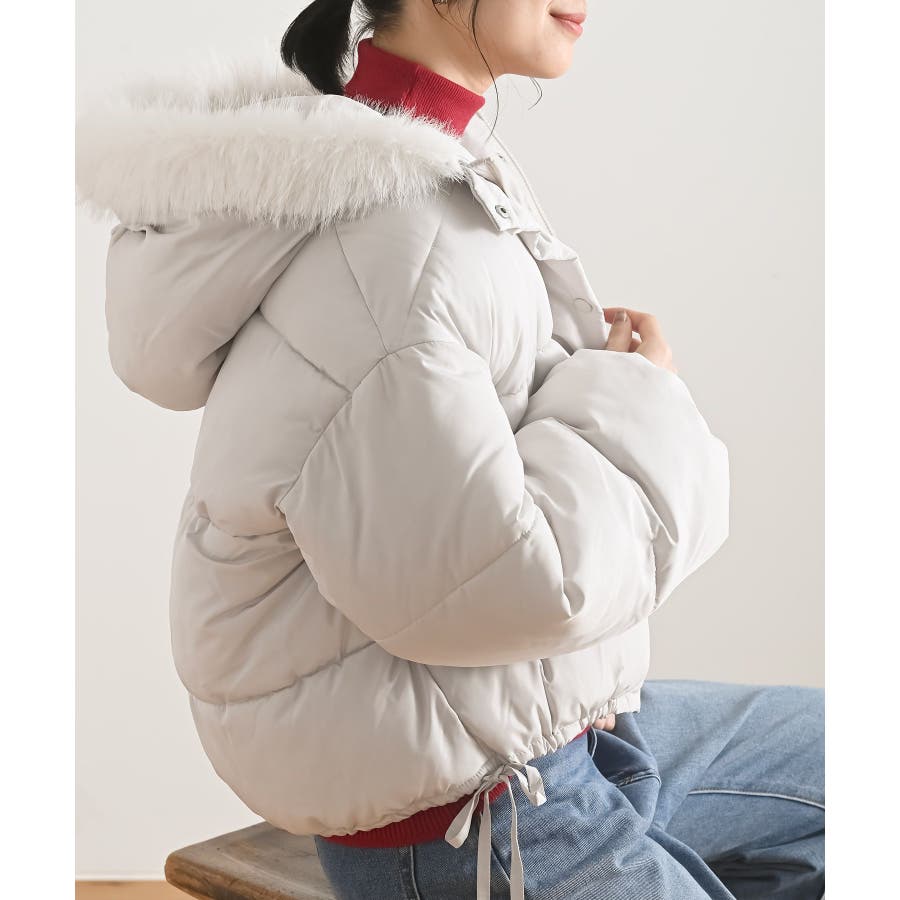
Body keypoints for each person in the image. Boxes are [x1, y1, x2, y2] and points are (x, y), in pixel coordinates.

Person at [74, 1, 824, 898]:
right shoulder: (390, 239)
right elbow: (503, 585)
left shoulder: (421, 155)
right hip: (468, 820)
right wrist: (635, 395)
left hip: (536, 730)